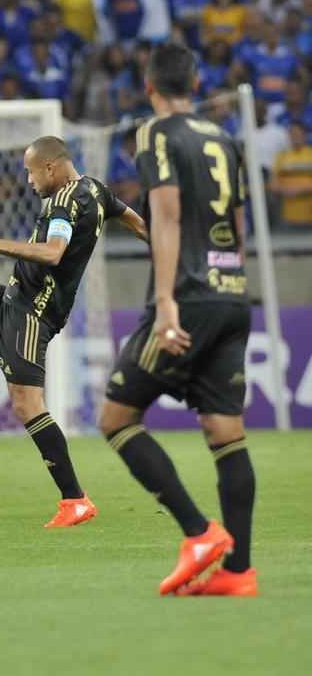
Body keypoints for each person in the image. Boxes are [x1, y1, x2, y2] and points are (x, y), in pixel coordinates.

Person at [0, 135, 147, 527]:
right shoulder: (96, 189)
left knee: (27, 406)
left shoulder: (61, 203)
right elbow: (131, 217)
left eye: (30, 172)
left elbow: (53, 252)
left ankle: (74, 499)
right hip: (7, 299)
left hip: (30, 313)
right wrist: (161, 245)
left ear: (50, 168)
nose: (28, 181)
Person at [99, 42, 257, 597]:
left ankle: (198, 533)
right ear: (195, 83)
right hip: (232, 294)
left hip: (186, 297)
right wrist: (227, 282)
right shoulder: (227, 139)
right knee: (224, 430)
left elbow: (164, 214)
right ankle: (238, 574)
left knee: (116, 418)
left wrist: (166, 300)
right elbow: (238, 225)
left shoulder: (155, 133)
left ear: (150, 88)